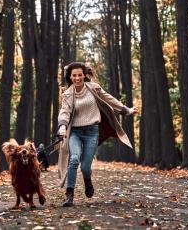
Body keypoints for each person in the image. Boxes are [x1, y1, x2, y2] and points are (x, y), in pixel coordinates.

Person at [57, 62, 138, 207]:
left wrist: (126, 110)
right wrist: (62, 126)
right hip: (74, 132)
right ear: (70, 77)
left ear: (84, 75)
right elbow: (64, 111)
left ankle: (88, 181)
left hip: (91, 132)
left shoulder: (93, 88)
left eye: (79, 75)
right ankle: (69, 195)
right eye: (74, 75)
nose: (77, 78)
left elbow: (109, 99)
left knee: (86, 167)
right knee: (74, 159)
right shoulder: (68, 94)